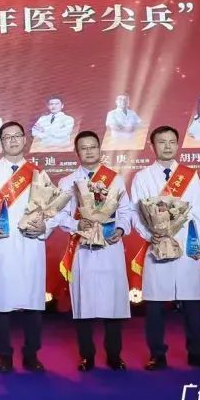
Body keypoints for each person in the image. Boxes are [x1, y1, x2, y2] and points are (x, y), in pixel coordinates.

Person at [130, 126, 200, 370]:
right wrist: (152, 235)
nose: (167, 146)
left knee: (192, 304)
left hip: (186, 243)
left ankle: (197, 353)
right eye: (162, 142)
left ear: (178, 145)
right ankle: (157, 355)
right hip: (157, 244)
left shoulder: (189, 175)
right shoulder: (142, 177)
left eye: (171, 141)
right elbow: (137, 214)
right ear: (152, 146)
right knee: (155, 305)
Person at [0, 122, 55, 373]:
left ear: (25, 140)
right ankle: (4, 356)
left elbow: (52, 210)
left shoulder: (38, 173)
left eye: (17, 136)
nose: (12, 141)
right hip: (2, 245)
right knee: (1, 304)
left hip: (31, 244)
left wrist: (44, 228)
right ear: (1, 142)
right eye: (7, 137)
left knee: (33, 303)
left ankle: (31, 354)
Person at [53, 131, 132, 371]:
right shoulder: (68, 182)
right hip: (82, 248)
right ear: (77, 152)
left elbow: (126, 211)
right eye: (84, 148)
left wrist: (121, 229)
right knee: (83, 303)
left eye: (93, 147)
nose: (89, 151)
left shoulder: (115, 179)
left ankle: (114, 355)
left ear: (100, 149)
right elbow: (59, 215)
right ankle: (87, 355)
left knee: (113, 304)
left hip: (110, 247)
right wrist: (77, 224)